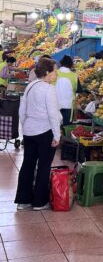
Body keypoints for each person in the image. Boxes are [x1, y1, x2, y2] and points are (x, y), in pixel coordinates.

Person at [14, 58, 62, 211]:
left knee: (27, 164)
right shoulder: (49, 89)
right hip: (44, 132)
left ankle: (23, 200)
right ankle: (39, 202)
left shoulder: (30, 86)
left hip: (29, 131)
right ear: (47, 72)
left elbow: (22, 110)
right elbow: (53, 114)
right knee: (43, 166)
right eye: (55, 71)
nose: (56, 75)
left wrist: (25, 126)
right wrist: (57, 135)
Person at [55, 55, 81, 125]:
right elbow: (78, 90)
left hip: (55, 104)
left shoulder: (54, 73)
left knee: (55, 126)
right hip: (69, 105)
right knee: (66, 126)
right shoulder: (74, 76)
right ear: (71, 65)